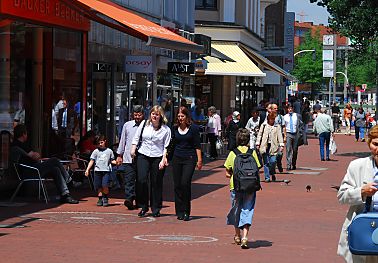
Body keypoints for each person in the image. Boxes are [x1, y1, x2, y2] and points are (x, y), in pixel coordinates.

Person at [337, 125, 378, 262]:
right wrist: (361, 192)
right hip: (363, 233)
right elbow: (342, 196)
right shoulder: (357, 166)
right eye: (375, 144)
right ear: (369, 144)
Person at [11, 124, 78, 204]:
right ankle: (69, 181)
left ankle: (65, 195)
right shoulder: (17, 145)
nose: (27, 135)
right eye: (26, 133)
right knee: (55, 160)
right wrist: (34, 155)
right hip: (29, 171)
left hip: (33, 168)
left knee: (55, 170)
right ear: (23, 134)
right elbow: (34, 156)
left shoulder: (22, 145)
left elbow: (36, 156)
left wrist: (36, 156)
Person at [130, 105, 171, 217]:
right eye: (153, 113)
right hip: (143, 154)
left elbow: (166, 147)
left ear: (160, 116)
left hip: (157, 156)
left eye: (157, 114)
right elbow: (136, 137)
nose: (154, 116)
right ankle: (143, 206)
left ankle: (156, 208)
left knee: (156, 182)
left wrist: (163, 159)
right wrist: (133, 149)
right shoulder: (144, 124)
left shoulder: (166, 130)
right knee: (142, 179)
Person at [224, 128, 261, 249]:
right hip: (250, 186)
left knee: (236, 210)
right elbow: (258, 167)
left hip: (236, 186)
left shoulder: (233, 153)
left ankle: (237, 235)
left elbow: (228, 172)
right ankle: (245, 236)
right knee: (247, 209)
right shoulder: (252, 152)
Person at [170, 107, 202, 221]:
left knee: (185, 183)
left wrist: (199, 160)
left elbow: (197, 145)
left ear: (187, 117)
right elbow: (172, 144)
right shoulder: (174, 128)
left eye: (182, 116)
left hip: (189, 158)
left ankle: (186, 211)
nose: (180, 119)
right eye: (178, 116)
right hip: (176, 158)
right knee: (177, 185)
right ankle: (179, 211)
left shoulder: (193, 128)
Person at [116, 105, 144, 210]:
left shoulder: (146, 126)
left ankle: (140, 201)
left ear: (143, 115)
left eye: (139, 115)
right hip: (128, 158)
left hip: (142, 158)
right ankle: (129, 199)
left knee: (141, 180)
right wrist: (119, 155)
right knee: (129, 180)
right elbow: (122, 140)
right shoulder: (127, 125)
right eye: (135, 115)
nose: (137, 117)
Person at [85, 135, 116, 207]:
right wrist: (87, 169)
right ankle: (100, 198)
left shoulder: (109, 151)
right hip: (97, 171)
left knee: (105, 185)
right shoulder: (96, 151)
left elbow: (112, 160)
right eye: (99, 143)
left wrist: (116, 163)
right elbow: (92, 161)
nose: (100, 144)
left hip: (106, 171)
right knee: (98, 186)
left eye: (101, 142)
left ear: (105, 142)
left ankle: (105, 197)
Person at [256, 110, 284, 182]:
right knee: (266, 162)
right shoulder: (264, 125)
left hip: (273, 146)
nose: (272, 121)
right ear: (268, 119)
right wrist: (258, 143)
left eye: (273, 119)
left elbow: (280, 136)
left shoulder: (277, 126)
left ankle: (272, 172)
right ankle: (267, 177)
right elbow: (260, 134)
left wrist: (281, 145)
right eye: (271, 119)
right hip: (265, 146)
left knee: (273, 161)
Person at [283, 104, 300, 170]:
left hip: (295, 134)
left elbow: (300, 125)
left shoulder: (297, 116)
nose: (290, 110)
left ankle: (293, 163)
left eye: (291, 108)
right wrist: (284, 135)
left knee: (295, 150)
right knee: (288, 149)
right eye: (289, 108)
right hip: (288, 134)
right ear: (287, 109)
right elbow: (283, 126)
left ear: (293, 109)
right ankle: (288, 164)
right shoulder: (285, 117)